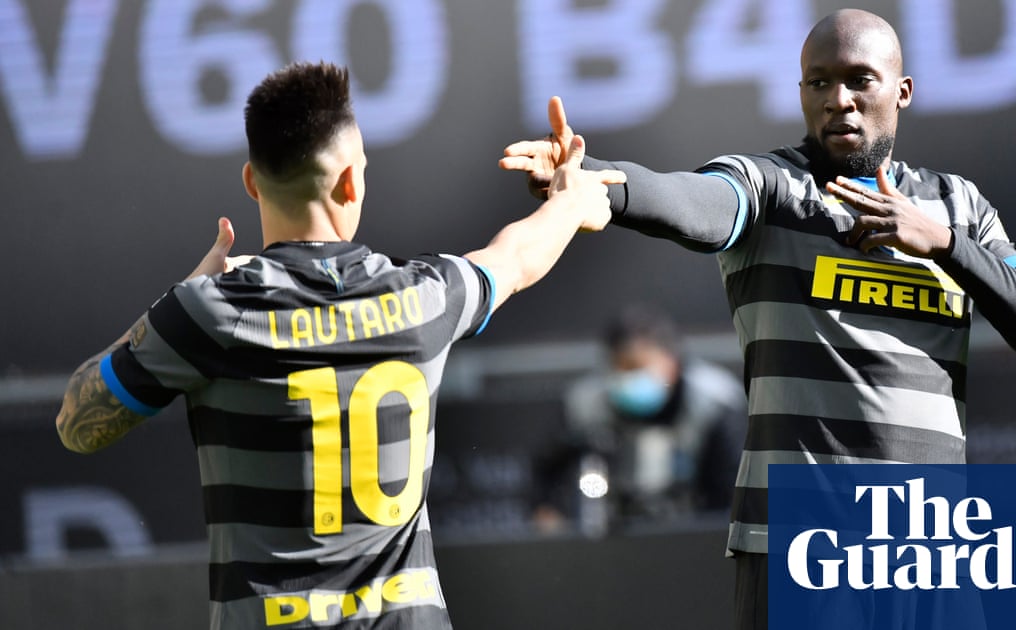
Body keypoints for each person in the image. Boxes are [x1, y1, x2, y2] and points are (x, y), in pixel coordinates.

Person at [500, 8, 1016, 629]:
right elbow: (692, 202)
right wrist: (595, 181)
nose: (839, 100)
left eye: (860, 80)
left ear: (903, 91)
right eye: (819, 82)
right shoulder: (771, 188)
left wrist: (943, 244)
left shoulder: (957, 207)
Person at [54, 61, 623, 629]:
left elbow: (77, 424)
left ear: (252, 181)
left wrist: (179, 300)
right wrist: (567, 200)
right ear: (351, 181)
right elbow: (515, 258)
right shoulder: (424, 298)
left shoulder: (209, 314)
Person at [532, 303, 744, 532]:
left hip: (698, 527)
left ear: (671, 363)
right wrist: (548, 512)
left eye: (638, 367)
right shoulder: (584, 404)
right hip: (612, 532)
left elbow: (735, 484)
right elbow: (546, 467)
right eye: (620, 367)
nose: (628, 377)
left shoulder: (714, 402)